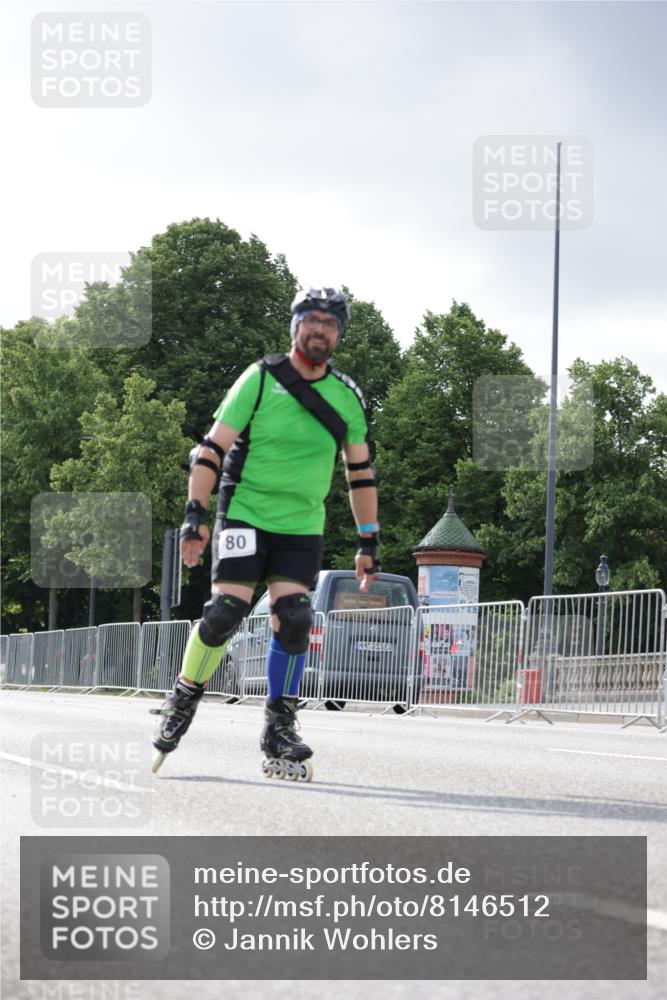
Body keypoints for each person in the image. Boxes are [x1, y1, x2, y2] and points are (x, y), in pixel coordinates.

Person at [151, 287, 380, 780]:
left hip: (301, 526)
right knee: (224, 614)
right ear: (295, 326)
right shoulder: (259, 379)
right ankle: (184, 695)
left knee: (295, 618)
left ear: (338, 334)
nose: (320, 329)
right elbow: (211, 450)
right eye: (311, 320)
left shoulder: (347, 397)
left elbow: (360, 475)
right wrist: (196, 515)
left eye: (330, 323)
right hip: (246, 513)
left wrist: (369, 541)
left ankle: (279, 724)